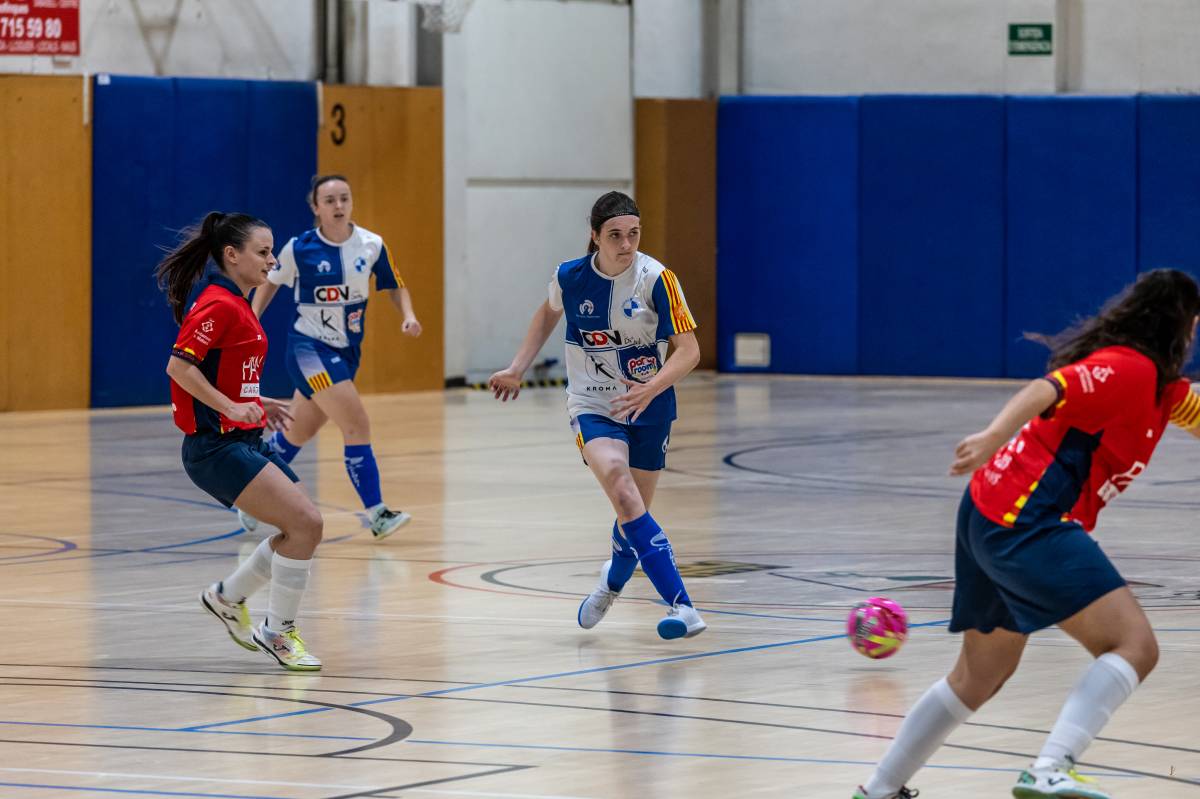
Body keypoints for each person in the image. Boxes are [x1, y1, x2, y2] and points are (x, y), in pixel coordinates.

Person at [853, 268, 1200, 799]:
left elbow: (1192, 411)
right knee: (1134, 645)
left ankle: (878, 789)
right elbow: (1049, 388)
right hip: (1024, 518)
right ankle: (1050, 768)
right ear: (1180, 325)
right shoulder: (1128, 369)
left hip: (986, 512)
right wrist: (994, 435)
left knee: (980, 675)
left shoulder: (1163, 391)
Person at [488, 191, 706, 639]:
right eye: (615, 236)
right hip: (593, 406)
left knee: (635, 511)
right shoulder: (570, 276)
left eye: (633, 234)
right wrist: (517, 367)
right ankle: (683, 607)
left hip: (650, 403)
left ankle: (612, 579)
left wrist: (652, 386)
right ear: (595, 236)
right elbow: (547, 315)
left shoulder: (657, 279)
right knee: (623, 493)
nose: (625, 244)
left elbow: (689, 352)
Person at [159, 211, 324, 672]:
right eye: (263, 251)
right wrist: (230, 408)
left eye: (272, 251)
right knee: (306, 523)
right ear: (232, 255)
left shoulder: (239, 306)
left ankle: (228, 598)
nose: (272, 260)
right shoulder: (219, 304)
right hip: (215, 446)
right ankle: (276, 630)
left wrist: (255, 399)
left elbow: (224, 374)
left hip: (245, 438)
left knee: (303, 524)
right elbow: (179, 367)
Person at [238, 174, 421, 540]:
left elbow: (394, 284)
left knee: (295, 433)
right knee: (356, 423)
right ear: (316, 208)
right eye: (330, 200)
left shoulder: (371, 245)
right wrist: (251, 320)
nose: (339, 206)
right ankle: (377, 512)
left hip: (346, 352)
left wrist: (409, 315)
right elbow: (270, 282)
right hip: (308, 350)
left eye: (344, 198)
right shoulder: (298, 248)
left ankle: (248, 495)